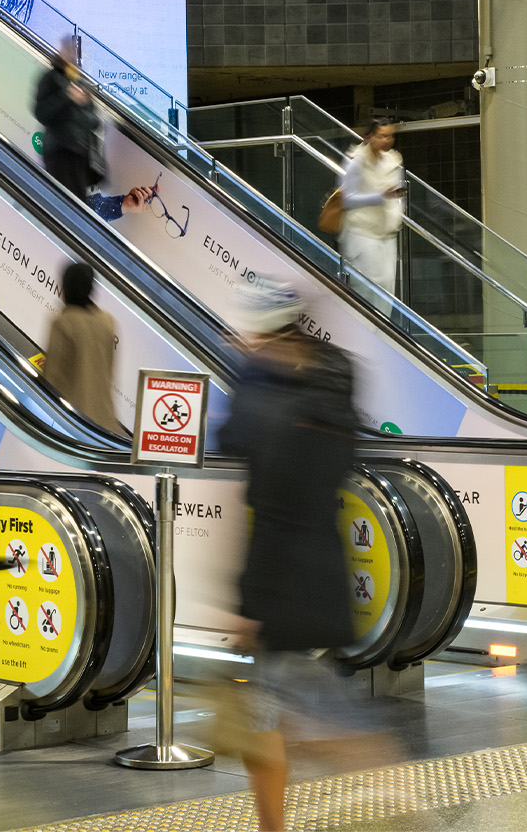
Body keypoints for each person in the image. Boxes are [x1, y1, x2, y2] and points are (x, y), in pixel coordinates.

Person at [218, 275, 359, 832]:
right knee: (284, 713)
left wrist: (248, 604)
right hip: (324, 569)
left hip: (279, 583)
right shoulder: (332, 380)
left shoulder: (268, 402)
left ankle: (383, 781)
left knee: (280, 718)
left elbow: (268, 504)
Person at [41, 262, 122, 434]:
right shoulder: (108, 321)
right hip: (105, 420)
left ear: (65, 288)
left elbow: (52, 377)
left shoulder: (64, 323)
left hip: (74, 420)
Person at [338, 119, 407, 302]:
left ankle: (381, 323)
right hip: (362, 233)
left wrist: (397, 209)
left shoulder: (393, 160)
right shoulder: (356, 161)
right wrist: (380, 197)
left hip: (387, 234)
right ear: (370, 136)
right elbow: (346, 199)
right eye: (382, 136)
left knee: (386, 292)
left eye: (390, 136)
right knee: (366, 292)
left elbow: (399, 193)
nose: (387, 140)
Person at [33, 38, 102, 199]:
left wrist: (82, 104)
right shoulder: (50, 77)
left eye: (76, 52)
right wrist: (67, 96)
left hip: (80, 156)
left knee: (76, 203)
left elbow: (95, 122)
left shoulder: (80, 83)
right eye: (69, 50)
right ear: (61, 51)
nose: (73, 56)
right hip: (59, 152)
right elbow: (41, 113)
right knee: (63, 201)